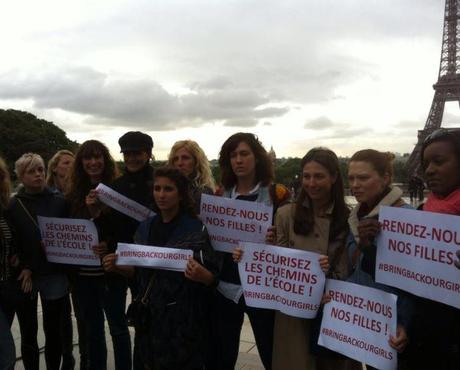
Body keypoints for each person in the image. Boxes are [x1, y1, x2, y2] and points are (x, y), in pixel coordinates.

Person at [102, 167, 220, 369]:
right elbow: (138, 273)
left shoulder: (196, 229)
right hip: (149, 319)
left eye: (168, 189)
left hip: (182, 322)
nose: (161, 195)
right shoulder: (145, 227)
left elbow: (212, 278)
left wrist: (204, 276)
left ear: (181, 194)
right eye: (157, 189)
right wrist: (118, 266)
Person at [211, 132, 290, 370]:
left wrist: (276, 239)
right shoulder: (219, 195)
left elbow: (291, 240)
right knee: (222, 356)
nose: (238, 160)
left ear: (257, 158)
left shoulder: (278, 195)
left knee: (271, 353)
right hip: (226, 286)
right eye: (233, 155)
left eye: (244, 153)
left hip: (262, 289)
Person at [271, 148, 351, 370]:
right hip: (296, 312)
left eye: (319, 176)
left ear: (334, 178)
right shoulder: (286, 215)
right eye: (306, 176)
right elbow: (278, 262)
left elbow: (352, 268)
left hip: (334, 307)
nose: (311, 183)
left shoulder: (349, 218)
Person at [66, 140, 131, 370]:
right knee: (93, 329)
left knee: (118, 327)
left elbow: (124, 229)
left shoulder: (117, 190)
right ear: (81, 163)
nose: (93, 162)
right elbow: (69, 229)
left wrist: (109, 244)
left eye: (98, 157)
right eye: (87, 158)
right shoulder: (73, 194)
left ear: (105, 159)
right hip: (83, 275)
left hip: (111, 271)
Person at [346, 149, 414, 366]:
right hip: (369, 323)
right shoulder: (356, 217)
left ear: (386, 178)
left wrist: (406, 324)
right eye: (351, 178)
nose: (355, 184)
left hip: (395, 327)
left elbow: (414, 282)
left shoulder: (409, 218)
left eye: (363, 177)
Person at [7, 153, 72, 370]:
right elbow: (12, 241)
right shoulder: (12, 205)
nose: (37, 174)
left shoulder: (59, 201)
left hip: (54, 273)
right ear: (20, 176)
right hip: (26, 276)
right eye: (30, 171)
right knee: (28, 332)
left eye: (40, 169)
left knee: (54, 331)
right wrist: (24, 264)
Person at [405, 129, 460, 369]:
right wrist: (370, 248)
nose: (429, 170)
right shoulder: (419, 216)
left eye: (439, 162)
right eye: (426, 163)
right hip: (422, 342)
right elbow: (399, 276)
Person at [105, 131, 154, 370]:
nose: (132, 158)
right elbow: (109, 226)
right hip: (121, 261)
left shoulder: (160, 182)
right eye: (128, 154)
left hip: (150, 263)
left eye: (137, 153)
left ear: (148, 154)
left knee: (149, 323)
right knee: (125, 323)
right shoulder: (114, 187)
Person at [0, 156, 30, 370]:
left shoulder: (6, 208)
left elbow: (14, 240)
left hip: (7, 287)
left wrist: (18, 256)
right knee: (7, 354)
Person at [167, 140, 215, 213]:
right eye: (176, 159)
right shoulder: (165, 188)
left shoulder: (203, 193)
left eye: (185, 158)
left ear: (197, 162)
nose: (179, 163)